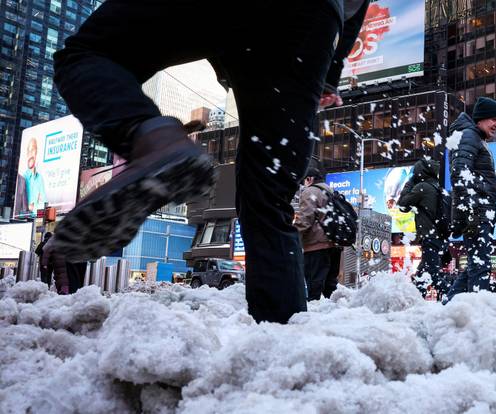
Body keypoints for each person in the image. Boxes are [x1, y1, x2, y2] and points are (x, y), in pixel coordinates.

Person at [52, 0, 370, 323]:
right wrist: (331, 71)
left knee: (87, 54)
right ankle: (282, 341)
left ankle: (152, 139)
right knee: (268, 200)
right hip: (311, 21)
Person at [446, 97, 496, 301]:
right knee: (479, 264)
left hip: (477, 211)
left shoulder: (475, 138)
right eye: (493, 119)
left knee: (476, 264)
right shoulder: (469, 136)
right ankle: (480, 310)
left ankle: (449, 307)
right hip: (475, 212)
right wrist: (481, 197)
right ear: (480, 119)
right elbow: (459, 173)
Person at [294, 159, 341, 301]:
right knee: (330, 285)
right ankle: (334, 314)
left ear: (309, 179)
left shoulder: (310, 192)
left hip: (316, 246)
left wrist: (292, 236)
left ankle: (313, 317)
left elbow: (305, 220)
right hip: (335, 245)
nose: (303, 186)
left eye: (304, 182)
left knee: (314, 283)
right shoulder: (332, 192)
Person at [397, 158, 445, 297]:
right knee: (423, 274)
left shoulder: (422, 187)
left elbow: (402, 205)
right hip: (438, 237)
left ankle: (454, 297)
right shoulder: (437, 187)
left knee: (434, 275)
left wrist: (409, 183)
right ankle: (417, 300)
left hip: (429, 237)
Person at [23, 138, 46, 217]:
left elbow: (44, 203)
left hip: (36, 219)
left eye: (32, 150)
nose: (30, 154)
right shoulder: (22, 178)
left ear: (36, 152)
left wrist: (33, 208)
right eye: (28, 151)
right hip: (23, 220)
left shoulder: (40, 178)